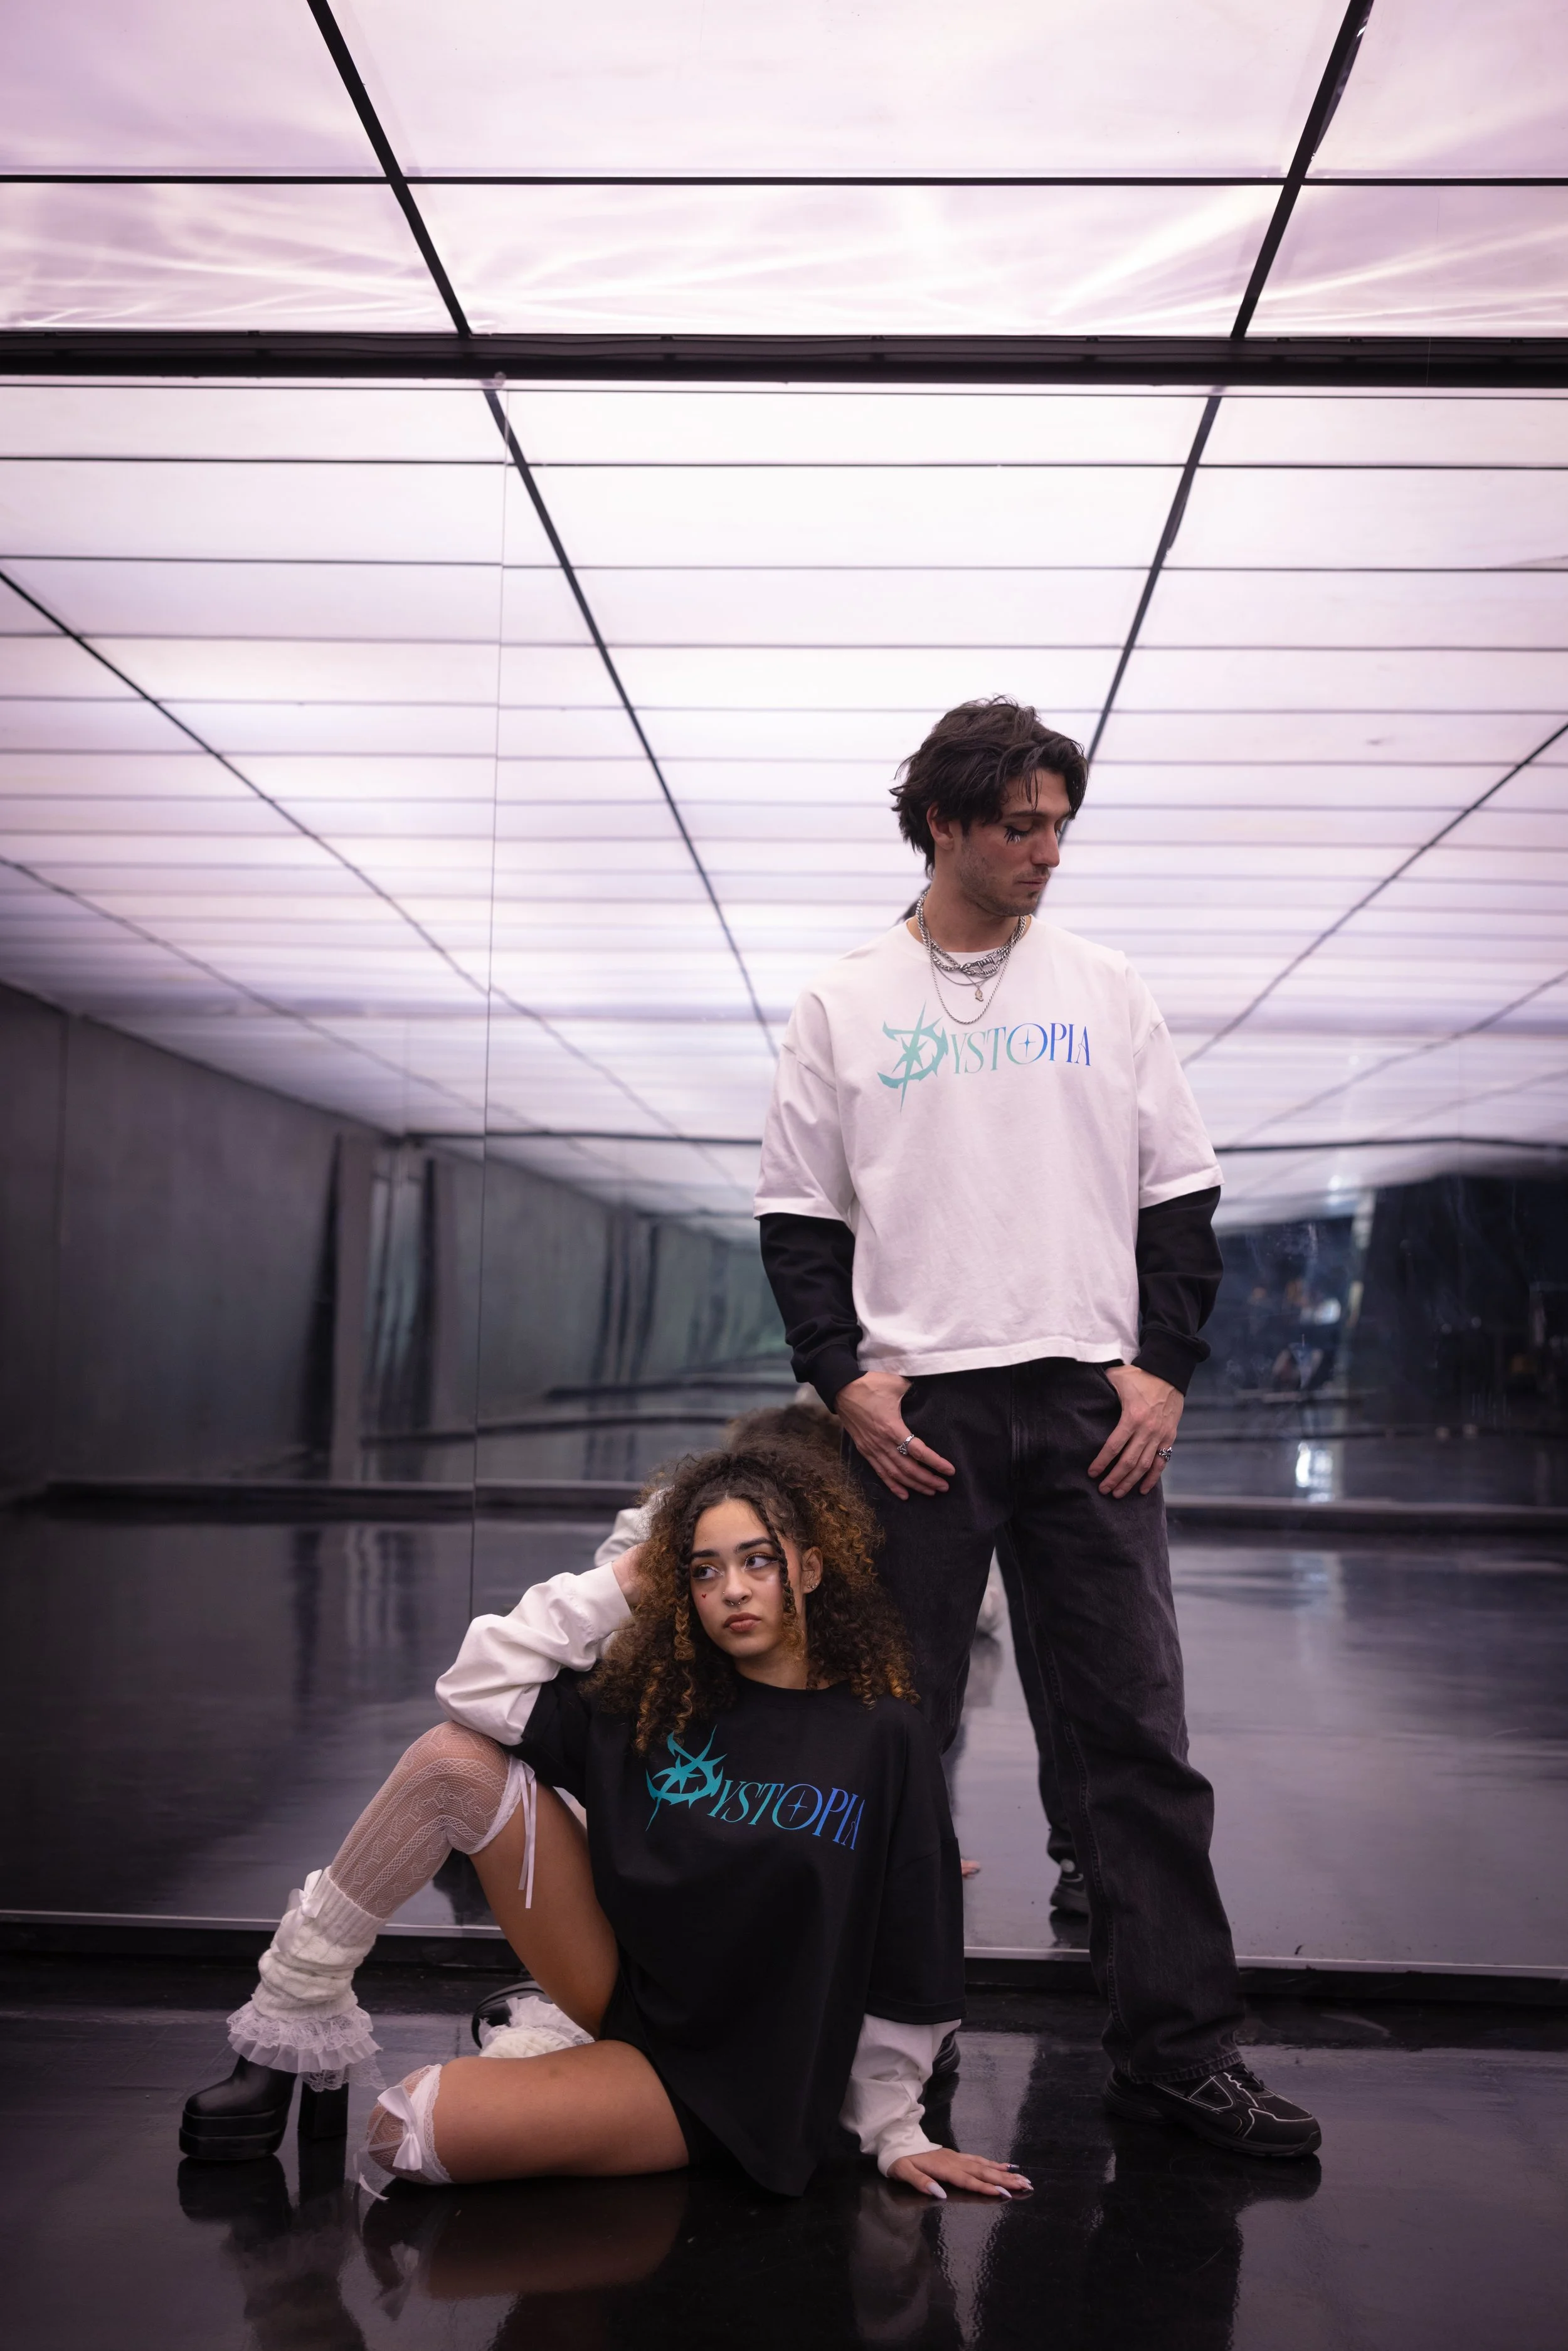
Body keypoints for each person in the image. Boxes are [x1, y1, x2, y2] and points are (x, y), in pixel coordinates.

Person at [754, 696, 1321, 2158]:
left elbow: (1178, 1199)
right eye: (1020, 824)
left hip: (1087, 1407)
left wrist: (1162, 1370)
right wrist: (843, 1378)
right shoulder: (844, 1001)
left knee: (1134, 1740)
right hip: (917, 1421)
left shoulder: (1106, 985)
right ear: (942, 823)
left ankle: (1177, 2052)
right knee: (888, 1741)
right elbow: (798, 1220)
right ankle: (880, 2052)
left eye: (1060, 824)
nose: (1046, 850)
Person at [180, 1441, 1030, 2205]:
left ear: (809, 1570)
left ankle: (551, 2044)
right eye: (702, 1570)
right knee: (452, 1759)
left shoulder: (882, 1731)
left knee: (404, 2133)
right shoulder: (662, 1703)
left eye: (758, 1562)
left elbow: (910, 1943)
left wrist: (895, 2129)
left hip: (742, 2079)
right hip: (630, 1994)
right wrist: (623, 1581)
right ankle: (292, 2016)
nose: (731, 1589)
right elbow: (471, 1690)